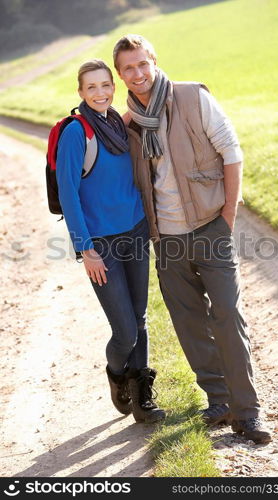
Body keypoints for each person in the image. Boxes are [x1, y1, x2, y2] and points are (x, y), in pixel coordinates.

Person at [112, 35, 271, 443]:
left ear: (154, 61)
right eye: (128, 68)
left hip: (209, 227)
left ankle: (247, 412)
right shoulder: (127, 123)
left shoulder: (192, 97)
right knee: (189, 323)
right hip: (166, 239)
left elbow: (232, 152)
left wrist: (228, 215)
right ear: (120, 75)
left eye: (142, 63)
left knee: (228, 316)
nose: (138, 73)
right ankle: (218, 399)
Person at [56, 58, 165, 424]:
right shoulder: (77, 132)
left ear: (113, 87)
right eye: (92, 87)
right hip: (100, 243)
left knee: (140, 318)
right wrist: (84, 248)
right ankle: (116, 373)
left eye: (105, 85)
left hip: (134, 231)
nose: (100, 93)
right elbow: (68, 193)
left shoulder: (119, 122)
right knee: (124, 330)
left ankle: (142, 397)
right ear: (81, 93)